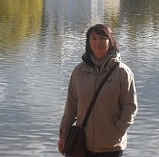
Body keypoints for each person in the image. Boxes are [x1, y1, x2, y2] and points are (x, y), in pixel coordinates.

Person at [58, 24, 138, 157]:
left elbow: (130, 107)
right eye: (93, 38)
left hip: (111, 146)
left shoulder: (122, 72)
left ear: (110, 41)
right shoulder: (79, 72)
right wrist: (63, 136)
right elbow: (70, 109)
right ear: (88, 43)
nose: (98, 42)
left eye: (102, 38)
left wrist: (116, 133)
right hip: (83, 144)